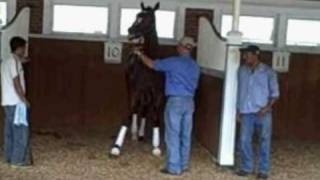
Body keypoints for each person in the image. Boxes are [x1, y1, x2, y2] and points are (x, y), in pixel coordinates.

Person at [134, 36, 200, 176]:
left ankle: (174, 167)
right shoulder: (195, 65)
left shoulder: (174, 62)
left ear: (181, 47)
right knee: (185, 134)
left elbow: (152, 64)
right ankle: (184, 164)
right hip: (190, 101)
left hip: (175, 100)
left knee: (172, 134)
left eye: (178, 45)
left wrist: (140, 54)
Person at [236, 45, 279, 179]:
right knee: (244, 140)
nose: (245, 57)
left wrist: (266, 107)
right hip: (246, 112)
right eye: (244, 55)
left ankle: (263, 170)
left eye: (247, 55)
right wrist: (238, 110)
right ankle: (246, 167)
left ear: (256, 55)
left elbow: (275, 94)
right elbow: (239, 91)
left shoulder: (268, 72)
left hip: (263, 112)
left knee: (264, 140)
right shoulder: (241, 71)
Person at [1, 36, 31, 167]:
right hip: (16, 101)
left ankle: (8, 157)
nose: (25, 51)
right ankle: (17, 160)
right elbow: (16, 81)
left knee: (9, 131)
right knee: (20, 130)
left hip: (7, 101)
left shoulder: (6, 61)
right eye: (24, 48)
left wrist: (23, 62)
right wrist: (23, 99)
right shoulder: (14, 61)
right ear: (19, 48)